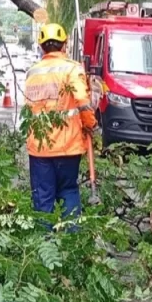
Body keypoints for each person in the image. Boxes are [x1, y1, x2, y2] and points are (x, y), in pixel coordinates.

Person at [24, 23, 97, 223]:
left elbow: (28, 109)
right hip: (68, 147)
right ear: (64, 45)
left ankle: (44, 248)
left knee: (42, 199)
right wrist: (90, 124)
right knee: (69, 191)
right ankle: (72, 243)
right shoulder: (72, 69)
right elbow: (83, 102)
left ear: (41, 47)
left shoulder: (32, 73)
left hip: (40, 149)